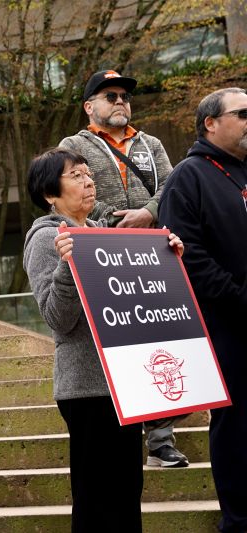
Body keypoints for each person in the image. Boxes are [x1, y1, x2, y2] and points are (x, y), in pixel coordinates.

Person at [23, 147, 184, 532]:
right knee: (97, 499)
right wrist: (67, 266)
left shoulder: (107, 235)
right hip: (86, 389)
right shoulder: (46, 239)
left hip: (126, 385)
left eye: (88, 173)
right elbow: (57, 319)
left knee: (127, 493)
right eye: (75, 175)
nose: (89, 180)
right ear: (49, 193)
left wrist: (168, 260)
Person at [60, 71, 187, 468]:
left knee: (159, 337)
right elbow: (70, 193)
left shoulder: (151, 143)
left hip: (151, 252)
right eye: (110, 95)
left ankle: (161, 439)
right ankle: (130, 426)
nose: (120, 102)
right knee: (125, 340)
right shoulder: (72, 145)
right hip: (106, 251)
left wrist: (148, 212)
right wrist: (113, 222)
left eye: (125, 96)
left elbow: (172, 184)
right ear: (89, 106)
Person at [158, 87, 247, 533]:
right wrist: (239, 297)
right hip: (224, 325)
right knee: (237, 424)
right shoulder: (188, 177)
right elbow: (187, 256)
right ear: (211, 123)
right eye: (243, 113)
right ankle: (239, 518)